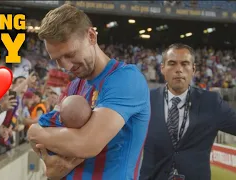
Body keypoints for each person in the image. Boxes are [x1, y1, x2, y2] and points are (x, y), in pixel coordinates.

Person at [27, 4, 150, 180]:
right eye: (58, 60)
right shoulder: (73, 86)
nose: (66, 67)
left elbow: (86, 144)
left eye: (70, 54)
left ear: (91, 36)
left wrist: (33, 132)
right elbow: (50, 142)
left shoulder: (126, 79)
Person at [140, 43, 236, 180]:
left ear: (193, 69)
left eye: (185, 64)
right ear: (162, 68)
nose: (179, 69)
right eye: (172, 63)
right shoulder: (145, 100)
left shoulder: (212, 102)